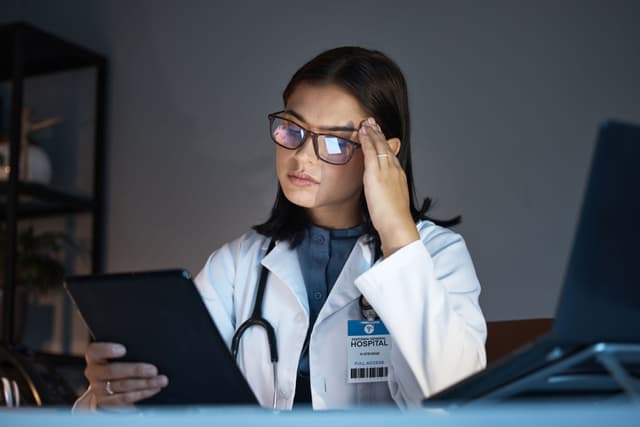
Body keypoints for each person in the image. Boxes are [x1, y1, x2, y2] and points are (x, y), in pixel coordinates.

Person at [75, 46, 487, 410]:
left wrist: (397, 234)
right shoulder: (238, 265)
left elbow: (457, 401)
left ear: (384, 154)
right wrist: (111, 396)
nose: (302, 157)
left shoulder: (435, 256)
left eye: (335, 141)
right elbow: (176, 397)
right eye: (293, 130)